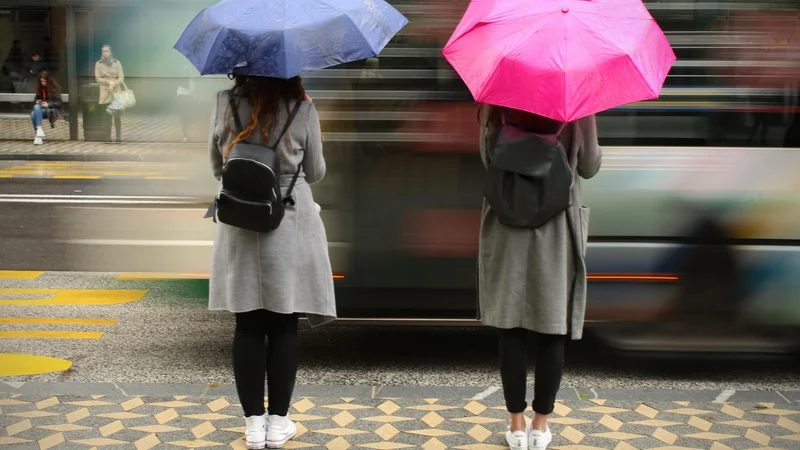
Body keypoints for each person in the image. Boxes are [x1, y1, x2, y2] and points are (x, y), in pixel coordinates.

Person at [207, 75, 335, 449]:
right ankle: (278, 424)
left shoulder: (223, 102)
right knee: (283, 324)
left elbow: (219, 168)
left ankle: (253, 426)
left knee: (247, 325)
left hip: (240, 219)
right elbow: (315, 173)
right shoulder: (303, 108)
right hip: (289, 221)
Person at [477, 105, 602, 450]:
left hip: (507, 221)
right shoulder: (578, 105)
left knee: (511, 323)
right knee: (551, 324)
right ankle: (540, 425)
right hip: (557, 225)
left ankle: (515, 427)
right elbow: (589, 167)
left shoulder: (496, 103)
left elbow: (490, 160)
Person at [95, 44, 124, 142]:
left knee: (117, 115)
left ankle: (118, 137)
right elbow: (98, 78)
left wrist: (114, 84)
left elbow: (121, 77)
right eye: (103, 51)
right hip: (105, 91)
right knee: (106, 116)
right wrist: (108, 83)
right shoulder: (98, 64)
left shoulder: (117, 63)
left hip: (116, 91)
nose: (105, 53)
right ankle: (107, 137)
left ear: (110, 52)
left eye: (107, 51)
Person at [30, 71, 63, 145]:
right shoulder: (40, 89)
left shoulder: (55, 88)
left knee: (33, 114)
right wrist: (38, 102)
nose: (43, 83)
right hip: (40, 110)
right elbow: (35, 100)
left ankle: (38, 135)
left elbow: (59, 103)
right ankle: (39, 131)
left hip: (50, 111)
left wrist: (48, 104)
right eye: (41, 81)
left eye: (45, 81)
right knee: (35, 109)